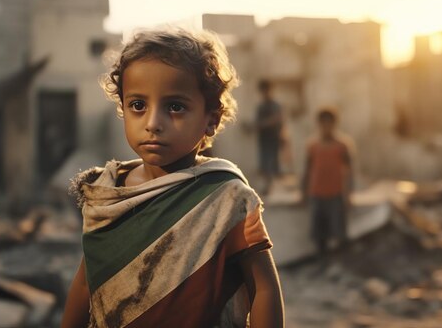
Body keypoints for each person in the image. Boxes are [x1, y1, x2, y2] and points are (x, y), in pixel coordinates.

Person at [61, 29, 284, 328]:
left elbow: (264, 289)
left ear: (211, 120)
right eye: (138, 105)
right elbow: (87, 284)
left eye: (175, 107)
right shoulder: (106, 192)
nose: (153, 123)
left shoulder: (225, 196)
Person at [301, 107, 353, 255]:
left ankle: (339, 264)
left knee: (339, 234)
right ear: (319, 124)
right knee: (319, 235)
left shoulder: (342, 145)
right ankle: (322, 263)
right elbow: (307, 170)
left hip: (335, 195)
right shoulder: (313, 146)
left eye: (329, 123)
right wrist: (303, 193)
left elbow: (349, 171)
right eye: (323, 123)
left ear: (334, 124)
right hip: (317, 195)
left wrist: (348, 194)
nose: (326, 127)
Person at [255, 80, 283, 195]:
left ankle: (270, 187)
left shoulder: (275, 105)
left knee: (272, 162)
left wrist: (262, 124)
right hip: (264, 138)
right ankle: (267, 186)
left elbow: (277, 119)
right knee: (265, 163)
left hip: (273, 137)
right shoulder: (261, 106)